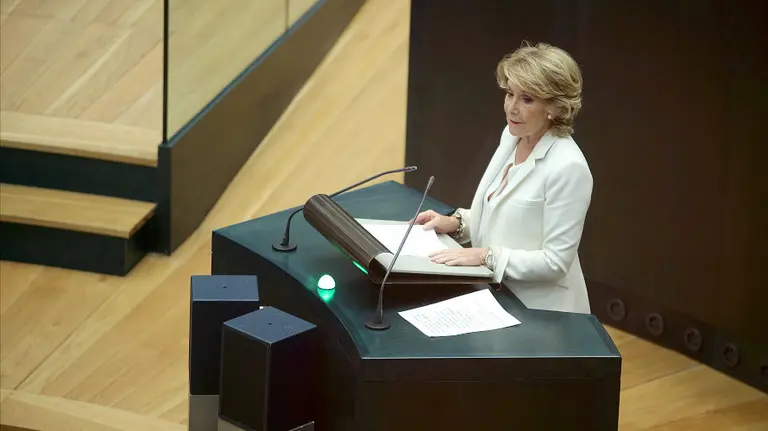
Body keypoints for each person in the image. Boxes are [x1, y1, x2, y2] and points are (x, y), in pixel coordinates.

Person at [414, 42, 593, 314]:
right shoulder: (511, 137)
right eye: (510, 94)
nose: (512, 107)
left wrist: (486, 256)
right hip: (496, 297)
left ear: (555, 107)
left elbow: (556, 262)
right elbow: (502, 217)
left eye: (527, 99)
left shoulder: (568, 167)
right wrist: (455, 223)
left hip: (542, 313)